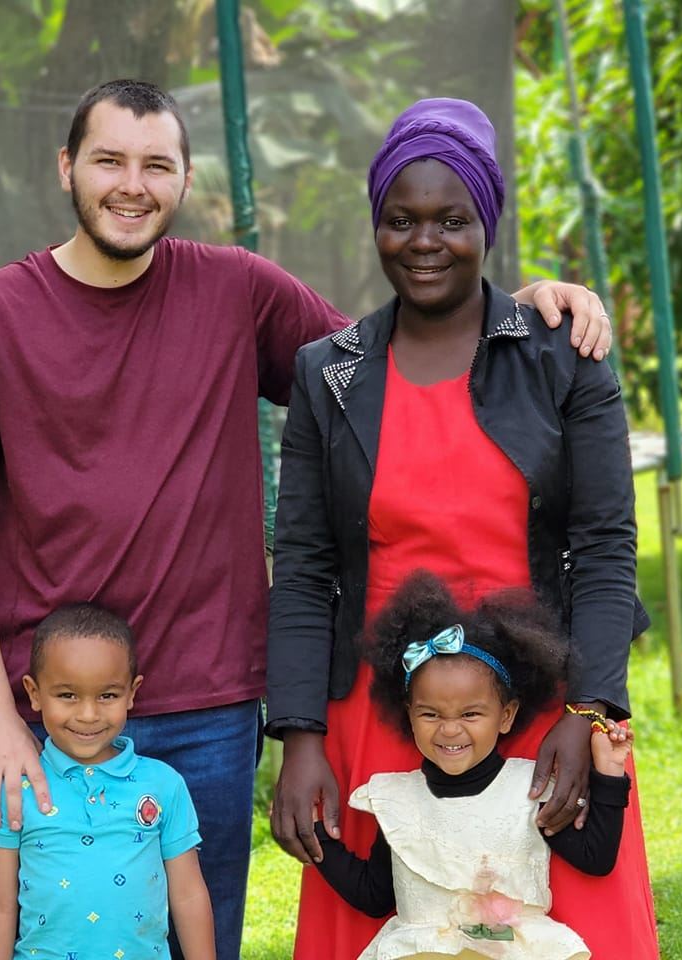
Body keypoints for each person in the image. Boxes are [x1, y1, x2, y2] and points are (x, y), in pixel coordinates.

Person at [0, 78, 613, 960]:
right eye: (109, 160)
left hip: (211, 700)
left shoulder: (236, 290)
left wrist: (527, 308)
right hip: (50, 704)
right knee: (29, 936)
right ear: (65, 168)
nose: (133, 184)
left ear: (185, 179)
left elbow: (409, 342)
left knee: (198, 938)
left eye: (156, 164)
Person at [266, 97, 659, 960]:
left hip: (541, 707)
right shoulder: (328, 375)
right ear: (376, 224)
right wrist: (299, 737)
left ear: (486, 223)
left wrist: (586, 714)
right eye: (400, 220)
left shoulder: (562, 357)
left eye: (451, 219)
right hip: (383, 715)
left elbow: (602, 547)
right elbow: (300, 565)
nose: (424, 241)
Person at [312, 570, 634, 960]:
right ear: (408, 714)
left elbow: (595, 858)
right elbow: (374, 895)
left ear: (506, 716)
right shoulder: (398, 802)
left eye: (470, 714)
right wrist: (317, 841)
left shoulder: (527, 791)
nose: (450, 730)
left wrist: (609, 772)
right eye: (430, 714)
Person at [0, 604, 215, 960]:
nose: (88, 715)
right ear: (34, 693)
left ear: (132, 693)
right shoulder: (16, 786)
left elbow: (189, 894)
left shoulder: (164, 784)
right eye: (67, 695)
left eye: (107, 695)